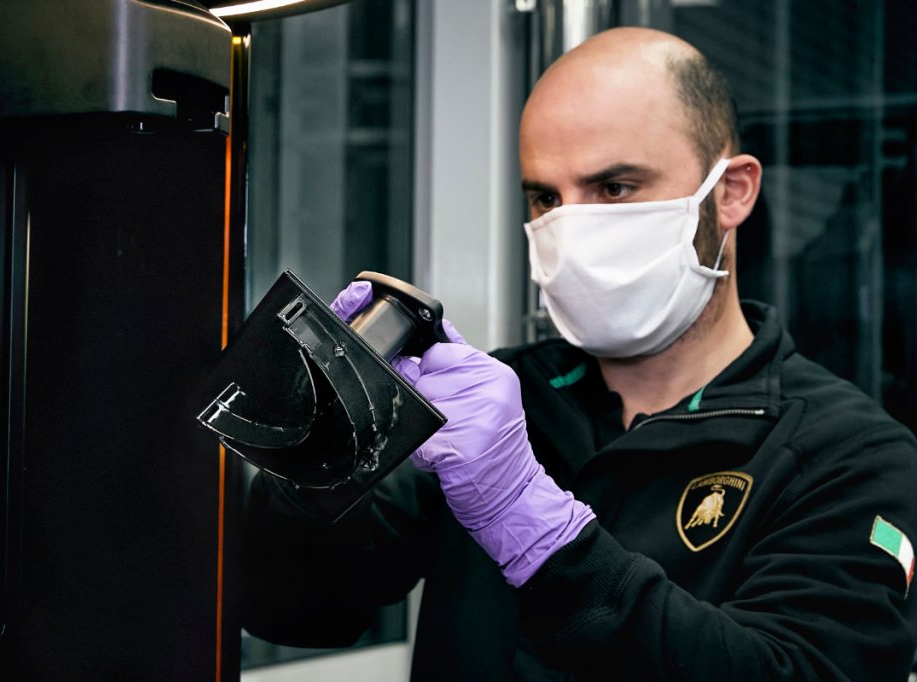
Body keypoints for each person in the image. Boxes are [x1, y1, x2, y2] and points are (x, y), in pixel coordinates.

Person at [238, 27, 917, 680]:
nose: (571, 229)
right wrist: (318, 456)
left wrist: (531, 526)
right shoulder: (495, 402)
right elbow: (292, 609)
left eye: (614, 188)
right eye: (545, 197)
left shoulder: (849, 456)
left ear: (732, 192)